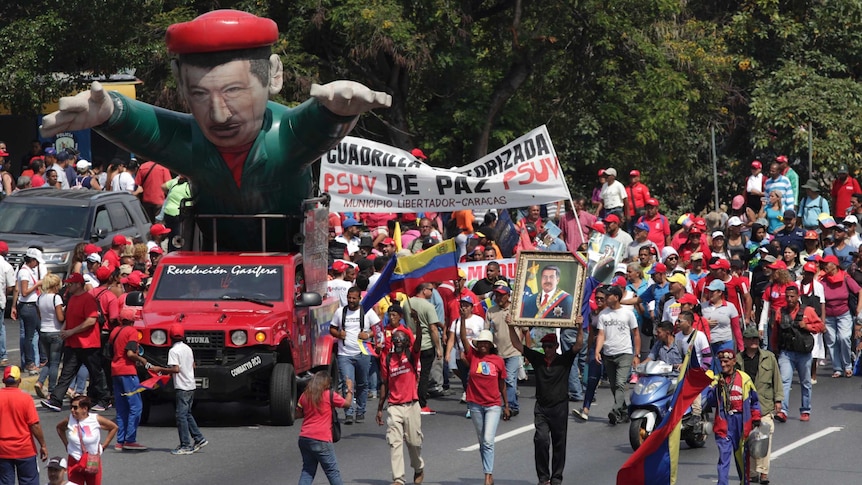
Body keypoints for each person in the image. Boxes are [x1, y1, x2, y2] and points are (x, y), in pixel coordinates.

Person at [40, 10, 390, 252]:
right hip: (208, 265)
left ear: (273, 76)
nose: (219, 115)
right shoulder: (192, 144)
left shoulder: (283, 137)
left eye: (234, 92)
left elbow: (314, 124)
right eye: (200, 95)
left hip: (289, 264)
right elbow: (138, 122)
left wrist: (336, 111)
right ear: (181, 86)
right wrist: (109, 112)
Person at [508, 327, 581, 485]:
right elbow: (516, 344)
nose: (547, 349)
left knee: (559, 443)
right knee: (541, 440)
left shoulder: (564, 360)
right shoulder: (537, 359)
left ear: (556, 346)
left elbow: (578, 346)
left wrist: (580, 327)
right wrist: (510, 326)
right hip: (542, 407)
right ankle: (543, 478)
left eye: (550, 346)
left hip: (559, 407)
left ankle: (556, 478)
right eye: (545, 346)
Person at [41, 274, 110, 413]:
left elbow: (91, 320)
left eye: (71, 284)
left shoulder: (88, 299)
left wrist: (71, 331)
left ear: (78, 284)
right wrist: (64, 329)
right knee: (67, 372)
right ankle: (56, 400)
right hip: (73, 343)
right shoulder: (72, 299)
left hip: (88, 343)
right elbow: (68, 317)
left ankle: (105, 399)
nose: (68, 286)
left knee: (95, 372)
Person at [459, 321, 509, 485]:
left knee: (488, 439)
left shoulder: (498, 360)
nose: (482, 346)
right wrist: (462, 319)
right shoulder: (473, 356)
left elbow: (502, 384)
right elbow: (463, 338)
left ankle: (488, 475)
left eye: (485, 343)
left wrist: (506, 405)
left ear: (490, 345)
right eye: (480, 343)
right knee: (482, 441)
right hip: (475, 404)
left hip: (493, 405)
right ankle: (488, 472)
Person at [376, 324, 426, 485]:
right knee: (394, 442)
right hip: (394, 406)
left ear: (406, 343)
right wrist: (379, 409)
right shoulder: (388, 360)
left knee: (414, 442)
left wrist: (417, 323)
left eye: (400, 340)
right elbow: (385, 383)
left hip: (411, 405)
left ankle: (418, 468)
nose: (397, 343)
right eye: (395, 340)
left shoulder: (412, 355)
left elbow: (418, 341)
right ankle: (398, 479)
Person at [148, 325, 208, 455]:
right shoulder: (188, 348)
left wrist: (160, 369)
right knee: (187, 414)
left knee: (181, 415)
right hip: (191, 384)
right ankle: (199, 438)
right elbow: (193, 365)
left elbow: (175, 369)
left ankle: (185, 445)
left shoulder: (173, 351)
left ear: (170, 337)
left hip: (182, 386)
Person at [705, 349, 762, 485]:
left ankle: (744, 482)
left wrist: (756, 418)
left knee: (742, 457)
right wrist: (717, 389)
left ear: (733, 361)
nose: (723, 365)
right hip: (724, 423)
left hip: (741, 422)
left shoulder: (745, 378)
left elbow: (754, 401)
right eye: (721, 362)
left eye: (726, 361)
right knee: (724, 458)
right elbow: (710, 401)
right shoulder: (716, 380)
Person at [772, 286, 824, 425]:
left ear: (797, 296)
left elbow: (821, 327)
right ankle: (783, 411)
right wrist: (774, 347)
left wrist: (807, 327)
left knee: (805, 382)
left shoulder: (807, 311)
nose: (789, 299)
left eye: (792, 296)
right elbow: (775, 330)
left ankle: (805, 410)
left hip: (803, 353)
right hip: (786, 353)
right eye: (787, 296)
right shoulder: (780, 311)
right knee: (785, 381)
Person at [736, 326, 782, 485]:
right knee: (749, 440)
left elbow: (777, 379)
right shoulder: (737, 360)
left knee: (764, 439)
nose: (755, 341)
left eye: (756, 338)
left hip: (765, 405)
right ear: (745, 341)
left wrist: (778, 400)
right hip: (745, 408)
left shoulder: (769, 357)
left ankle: (763, 473)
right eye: (751, 339)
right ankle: (753, 472)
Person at [329, 287, 381, 423]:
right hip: (344, 354)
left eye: (354, 298)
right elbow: (332, 329)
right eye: (349, 298)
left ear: (359, 298)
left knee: (363, 383)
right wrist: (338, 334)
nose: (351, 300)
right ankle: (349, 412)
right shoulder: (340, 312)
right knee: (347, 384)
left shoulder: (367, 312)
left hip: (363, 354)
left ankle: (360, 410)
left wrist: (368, 334)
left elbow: (378, 328)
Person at [295, 372, 353, 485]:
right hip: (321, 439)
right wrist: (350, 389)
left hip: (304, 437)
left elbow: (298, 414)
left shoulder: (305, 395)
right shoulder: (328, 395)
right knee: (332, 472)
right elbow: (347, 404)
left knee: (307, 470)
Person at [594, 284, 640, 425]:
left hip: (624, 353)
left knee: (620, 383)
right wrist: (597, 350)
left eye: (609, 295)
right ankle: (624, 412)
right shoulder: (603, 314)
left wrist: (636, 354)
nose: (606, 298)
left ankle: (615, 409)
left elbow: (636, 334)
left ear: (617, 297)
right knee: (614, 386)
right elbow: (601, 334)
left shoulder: (628, 313)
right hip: (609, 354)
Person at [109, 307, 149, 451]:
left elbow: (109, 351)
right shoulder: (131, 331)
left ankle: (120, 440)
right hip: (127, 371)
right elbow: (130, 353)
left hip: (115, 371)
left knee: (121, 407)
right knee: (136, 406)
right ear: (132, 320)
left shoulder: (114, 332)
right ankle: (130, 439)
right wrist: (142, 360)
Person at [0, 366, 49, 485]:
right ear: (19, 381)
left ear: (3, 381)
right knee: (29, 481)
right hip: (25, 449)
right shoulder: (26, 399)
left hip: (2, 450)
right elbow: (34, 425)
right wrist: (43, 445)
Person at [56, 396, 118, 485]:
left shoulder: (95, 419)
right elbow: (59, 428)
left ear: (84, 409)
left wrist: (104, 445)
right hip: (74, 461)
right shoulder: (70, 419)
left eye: (75, 407)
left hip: (92, 461)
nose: (72, 410)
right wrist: (66, 444)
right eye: (71, 407)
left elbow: (113, 427)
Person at [483, 286, 524, 418]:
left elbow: (525, 330)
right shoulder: (491, 311)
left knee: (510, 380)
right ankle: (511, 404)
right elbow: (486, 331)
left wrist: (524, 349)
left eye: (501, 295)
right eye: (496, 295)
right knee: (497, 381)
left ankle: (510, 406)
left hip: (513, 351)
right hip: (497, 352)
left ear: (508, 296)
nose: (499, 298)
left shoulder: (516, 310)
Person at [818, 255, 862, 378]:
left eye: (826, 264)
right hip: (828, 315)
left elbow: (859, 291)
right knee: (832, 341)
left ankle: (847, 365)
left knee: (844, 338)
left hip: (844, 313)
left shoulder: (845, 277)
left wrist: (859, 307)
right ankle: (837, 368)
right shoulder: (822, 280)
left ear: (834, 265)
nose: (824, 266)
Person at [34, 274, 65, 400]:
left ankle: (40, 381)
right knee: (55, 363)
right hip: (55, 332)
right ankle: (52, 389)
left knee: (49, 361)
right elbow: (60, 318)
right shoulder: (56, 298)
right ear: (55, 286)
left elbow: (40, 316)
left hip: (44, 331)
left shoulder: (40, 298)